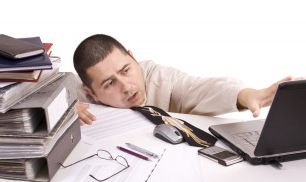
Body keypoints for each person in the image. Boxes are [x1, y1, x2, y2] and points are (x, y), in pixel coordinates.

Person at [73, 34, 298, 126]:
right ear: (91, 93)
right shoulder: (75, 96)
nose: (127, 87)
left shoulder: (161, 77)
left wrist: (248, 95)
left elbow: (199, 88)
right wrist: (57, 115)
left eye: (126, 70)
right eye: (109, 83)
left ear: (133, 57)